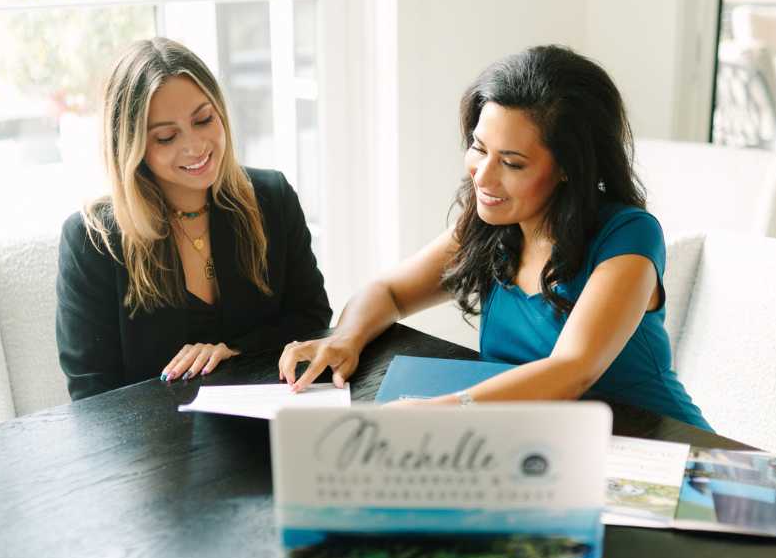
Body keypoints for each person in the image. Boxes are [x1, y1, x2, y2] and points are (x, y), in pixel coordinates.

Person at [279, 44, 711, 430]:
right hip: (549, 444)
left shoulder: (628, 235)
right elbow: (389, 291)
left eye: (513, 162)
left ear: (569, 168)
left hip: (659, 445)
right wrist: (346, 339)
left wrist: (448, 409)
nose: (482, 176)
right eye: (479, 147)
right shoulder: (491, 225)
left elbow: (572, 368)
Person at [56, 37, 332, 400]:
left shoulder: (272, 198)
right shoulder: (92, 240)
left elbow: (312, 318)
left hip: (268, 428)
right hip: (152, 446)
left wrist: (234, 350)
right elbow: (91, 393)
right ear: (131, 146)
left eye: (204, 119)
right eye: (166, 137)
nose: (195, 146)